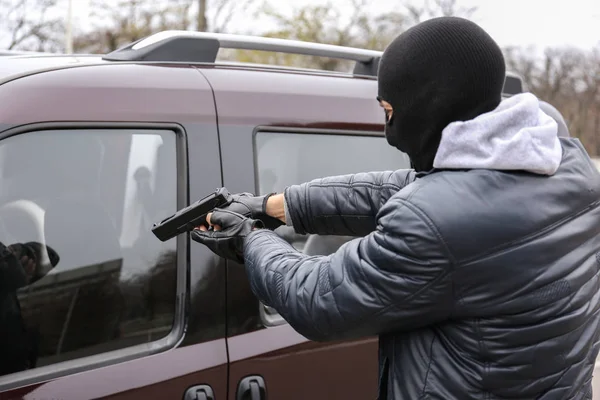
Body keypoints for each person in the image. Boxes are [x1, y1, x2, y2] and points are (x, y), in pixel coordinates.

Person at [192, 16, 600, 400]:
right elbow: (404, 188)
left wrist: (249, 241)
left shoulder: (437, 222)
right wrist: (278, 205)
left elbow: (319, 299)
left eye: (389, 113)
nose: (389, 133)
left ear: (431, 108)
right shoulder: (566, 165)